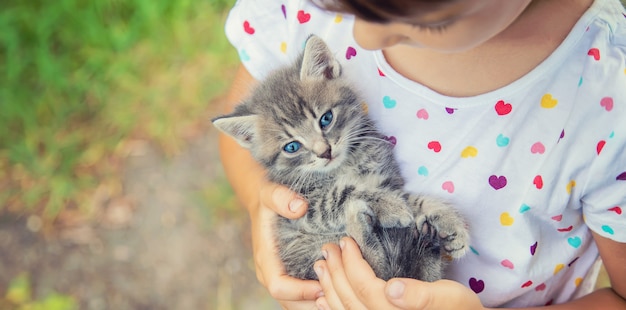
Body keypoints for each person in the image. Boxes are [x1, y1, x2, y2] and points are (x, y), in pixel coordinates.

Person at [218, 0, 626, 309]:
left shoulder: (608, 99)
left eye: (421, 21)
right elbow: (244, 134)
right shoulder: (294, 10)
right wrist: (261, 201)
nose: (363, 39)